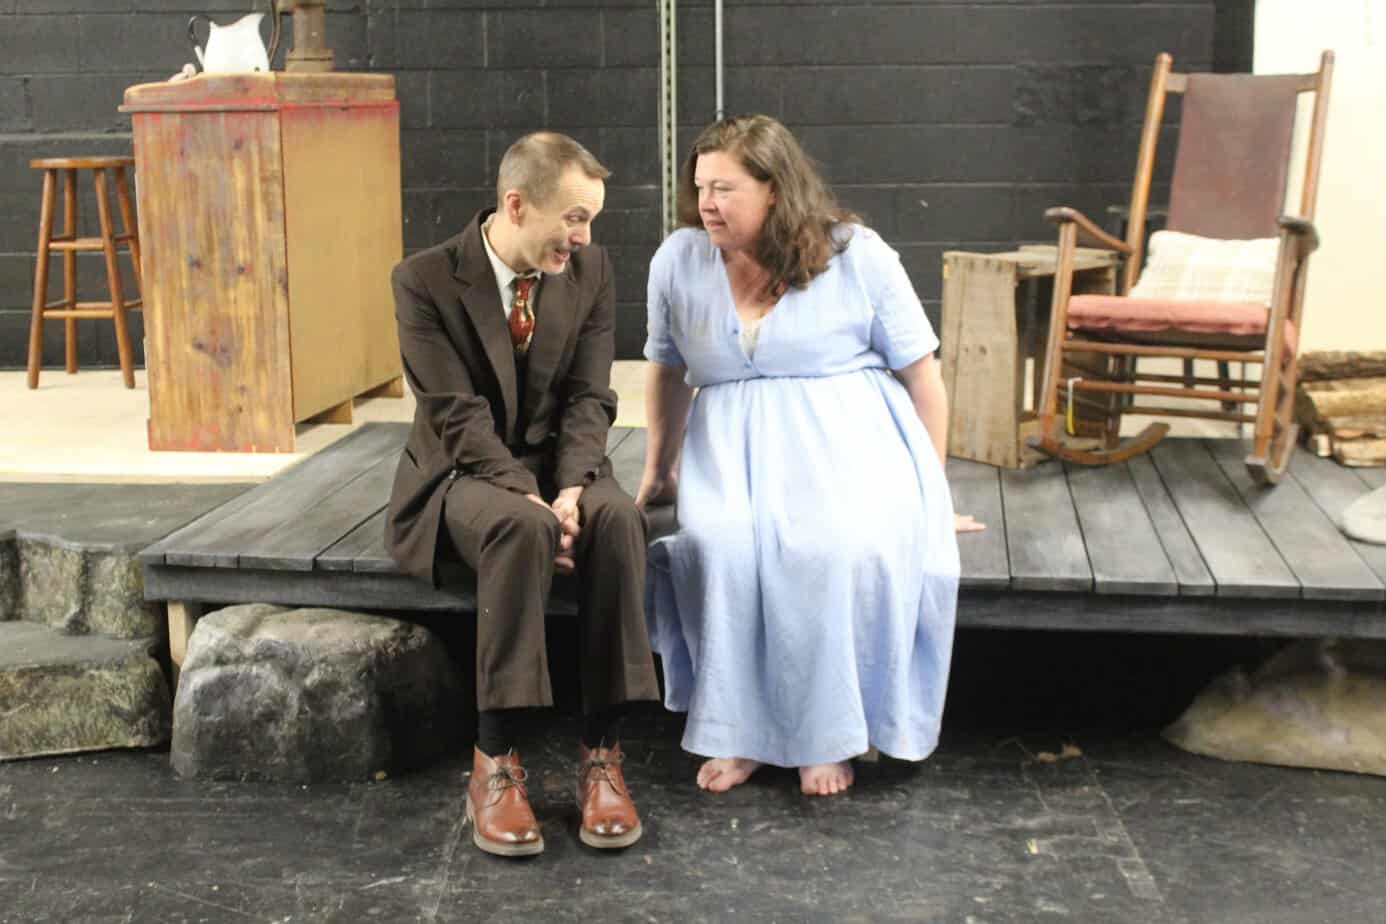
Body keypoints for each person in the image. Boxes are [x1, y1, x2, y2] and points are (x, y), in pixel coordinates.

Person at [637, 114, 977, 797]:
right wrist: (659, 469)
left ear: (774, 188)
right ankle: (740, 733)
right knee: (721, 549)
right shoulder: (679, 259)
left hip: (847, 446)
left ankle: (827, 734)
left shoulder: (857, 253)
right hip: (730, 452)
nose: (706, 202)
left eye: (725, 188)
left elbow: (923, 374)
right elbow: (667, 371)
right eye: (700, 186)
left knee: (830, 550)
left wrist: (929, 488)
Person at [385, 132, 659, 856]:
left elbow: (589, 398)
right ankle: (495, 762)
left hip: (556, 469)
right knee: (520, 529)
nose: (584, 236)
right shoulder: (423, 280)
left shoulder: (590, 271)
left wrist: (570, 485)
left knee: (620, 521)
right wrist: (530, 499)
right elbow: (455, 416)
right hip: (463, 474)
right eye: (573, 217)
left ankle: (602, 753)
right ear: (516, 204)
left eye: (590, 220)